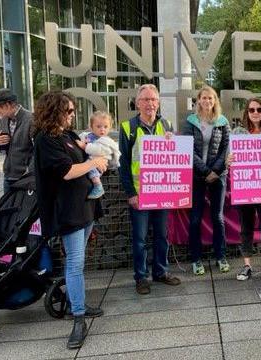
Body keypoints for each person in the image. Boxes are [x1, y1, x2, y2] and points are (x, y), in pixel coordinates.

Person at [32, 91, 105, 349]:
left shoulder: (68, 135)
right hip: (68, 211)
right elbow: (67, 171)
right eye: (69, 111)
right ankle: (78, 319)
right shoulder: (45, 140)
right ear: (55, 112)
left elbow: (83, 159)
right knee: (74, 265)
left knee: (78, 262)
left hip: (84, 207)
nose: (73, 115)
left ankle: (79, 303)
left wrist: (96, 163)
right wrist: (94, 162)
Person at [119, 84, 180, 295]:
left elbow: (174, 158)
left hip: (162, 193)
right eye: (145, 100)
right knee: (140, 239)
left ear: (158, 102)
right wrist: (131, 193)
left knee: (162, 235)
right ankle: (141, 277)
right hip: (140, 194)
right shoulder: (128, 127)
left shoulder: (167, 124)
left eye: (153, 99)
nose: (150, 104)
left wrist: (175, 142)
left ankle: (161, 272)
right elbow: (123, 165)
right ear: (137, 103)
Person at [182, 85, 230, 275]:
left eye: (211, 98)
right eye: (204, 98)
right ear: (198, 100)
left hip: (219, 176)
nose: (207, 101)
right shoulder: (190, 122)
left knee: (218, 218)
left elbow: (226, 148)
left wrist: (215, 171)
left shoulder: (222, 121)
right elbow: (188, 149)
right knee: (195, 219)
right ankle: (196, 259)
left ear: (215, 100)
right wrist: (204, 170)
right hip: (197, 175)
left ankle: (221, 256)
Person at [231, 98, 261, 282]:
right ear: (247, 112)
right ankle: (247, 265)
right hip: (245, 187)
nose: (255, 112)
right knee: (246, 227)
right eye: (251, 109)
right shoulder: (237, 133)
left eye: (259, 109)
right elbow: (232, 158)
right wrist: (229, 161)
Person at [0, 88, 34, 193]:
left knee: (23, 208)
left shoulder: (31, 120)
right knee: (6, 208)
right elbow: (7, 147)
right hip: (8, 176)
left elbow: (38, 150)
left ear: (7, 105)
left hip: (24, 178)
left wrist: (29, 172)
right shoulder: (4, 119)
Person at [77, 111, 121, 199]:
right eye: (98, 126)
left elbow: (99, 150)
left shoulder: (106, 141)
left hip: (99, 164)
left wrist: (84, 146)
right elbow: (79, 139)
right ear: (91, 127)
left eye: (105, 127)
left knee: (92, 170)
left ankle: (98, 186)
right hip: (90, 160)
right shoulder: (86, 135)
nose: (102, 129)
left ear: (110, 128)